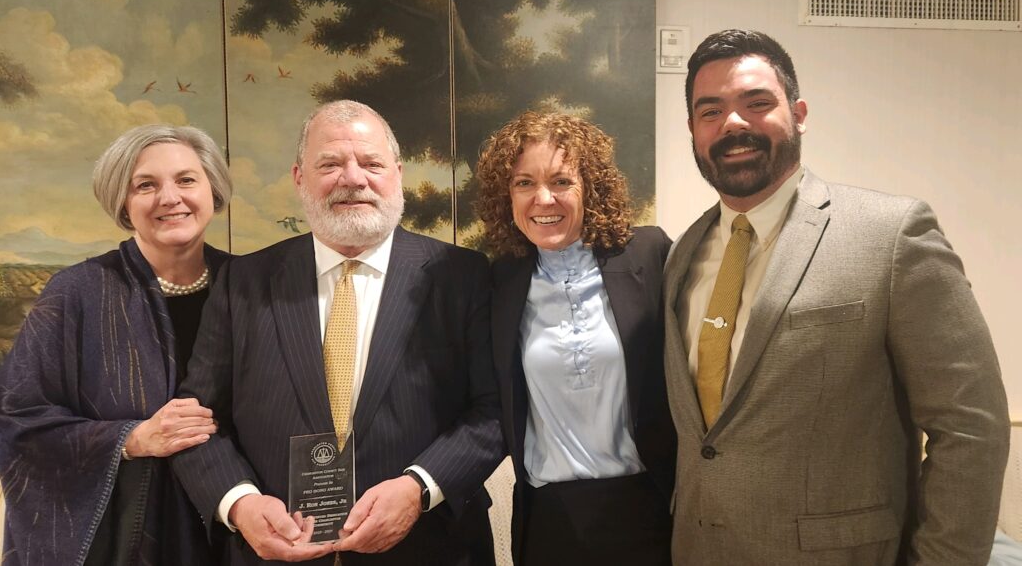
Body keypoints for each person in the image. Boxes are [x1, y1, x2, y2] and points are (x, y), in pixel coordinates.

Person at [664, 28, 1010, 565]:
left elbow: (970, 426)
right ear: (692, 129)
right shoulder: (683, 252)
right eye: (710, 111)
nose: (732, 123)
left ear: (798, 113)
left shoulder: (892, 236)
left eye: (756, 104)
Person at [171, 100, 504, 565]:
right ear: (299, 177)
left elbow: (495, 409)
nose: (353, 178)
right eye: (330, 164)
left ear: (397, 174)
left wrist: (419, 489)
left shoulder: (462, 276)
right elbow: (198, 419)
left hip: (432, 548)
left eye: (371, 163)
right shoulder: (244, 282)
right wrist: (240, 504)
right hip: (274, 554)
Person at [0, 124, 233, 565]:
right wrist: (132, 437)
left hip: (240, 531)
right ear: (123, 204)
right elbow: (16, 419)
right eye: (146, 185)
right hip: (125, 539)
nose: (170, 197)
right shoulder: (76, 292)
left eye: (186, 179)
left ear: (212, 189)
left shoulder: (250, 287)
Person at [475, 111, 676, 565]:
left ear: (592, 187)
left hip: (649, 510)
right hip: (551, 523)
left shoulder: (649, 254)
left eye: (562, 181)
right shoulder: (500, 281)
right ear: (505, 196)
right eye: (524, 183)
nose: (543, 199)